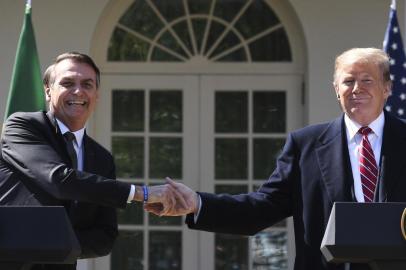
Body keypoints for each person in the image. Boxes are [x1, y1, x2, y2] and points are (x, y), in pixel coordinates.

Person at [146, 48, 406, 270]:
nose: (357, 88)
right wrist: (198, 203)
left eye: (367, 80)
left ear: (387, 88)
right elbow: (262, 207)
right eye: (348, 81)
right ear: (336, 89)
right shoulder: (305, 145)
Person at [0, 52, 185, 270]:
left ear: (96, 94)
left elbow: (105, 236)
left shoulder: (102, 158)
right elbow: (58, 180)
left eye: (87, 84)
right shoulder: (22, 126)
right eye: (67, 83)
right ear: (48, 90)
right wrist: (141, 193)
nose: (78, 91)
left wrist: (57, 243)